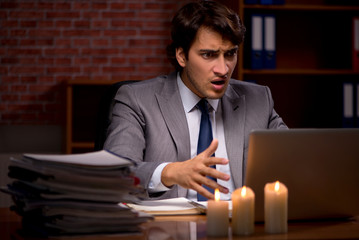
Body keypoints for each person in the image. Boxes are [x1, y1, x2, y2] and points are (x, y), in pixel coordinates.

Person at [104, 1, 287, 201]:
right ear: (182, 56)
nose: (223, 69)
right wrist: (170, 173)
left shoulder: (259, 100)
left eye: (230, 54)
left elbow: (296, 158)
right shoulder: (137, 100)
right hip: (169, 229)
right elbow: (115, 172)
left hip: (241, 225)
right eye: (209, 55)